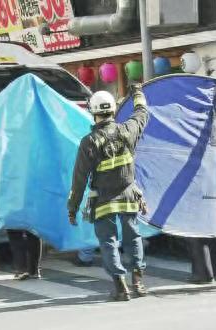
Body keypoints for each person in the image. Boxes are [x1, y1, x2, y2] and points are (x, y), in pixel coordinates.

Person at [67, 85, 149, 301]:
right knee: (133, 238)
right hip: (129, 196)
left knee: (108, 242)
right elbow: (142, 114)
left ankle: (120, 287)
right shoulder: (127, 130)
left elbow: (79, 179)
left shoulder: (89, 142)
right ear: (113, 110)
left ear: (93, 112)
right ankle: (138, 282)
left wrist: (72, 208)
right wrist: (138, 94)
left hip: (103, 200)